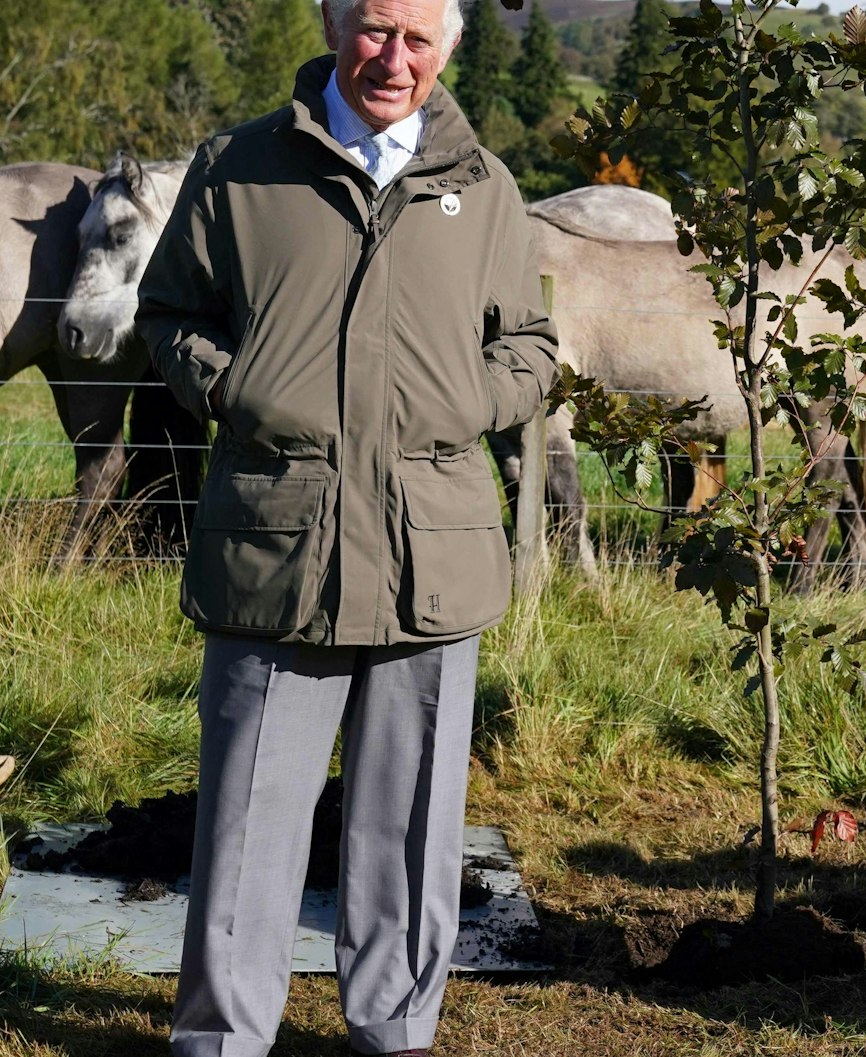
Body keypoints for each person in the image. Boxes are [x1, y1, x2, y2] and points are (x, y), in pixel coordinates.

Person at [136, 0, 556, 1052]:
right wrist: (236, 390)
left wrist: (469, 402)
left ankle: (394, 1030)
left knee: (410, 827)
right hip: (277, 540)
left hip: (434, 552)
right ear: (333, 26)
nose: (392, 58)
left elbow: (534, 344)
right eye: (373, 30)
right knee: (244, 824)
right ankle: (224, 1036)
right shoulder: (237, 168)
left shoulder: (485, 187)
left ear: (447, 48)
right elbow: (170, 311)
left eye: (418, 38)